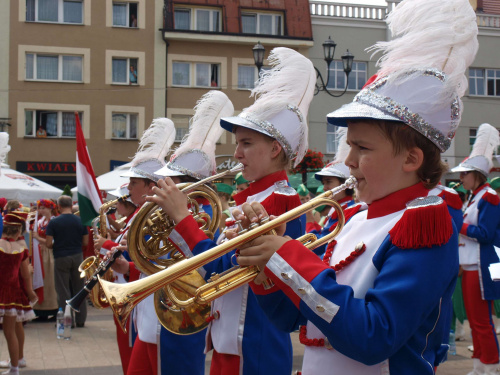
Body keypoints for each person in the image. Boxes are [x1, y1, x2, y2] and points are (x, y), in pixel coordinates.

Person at [231, 1, 478, 373]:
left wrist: (290, 257)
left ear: (411, 160)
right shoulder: (355, 217)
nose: (347, 160)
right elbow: (290, 320)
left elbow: (373, 337)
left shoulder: (424, 226)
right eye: (350, 146)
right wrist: (266, 268)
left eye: (361, 148)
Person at [150, 47, 315, 375]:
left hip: (253, 344)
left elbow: (220, 268)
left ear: (274, 149)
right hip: (233, 340)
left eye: (246, 143)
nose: (236, 153)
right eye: (237, 143)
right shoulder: (255, 197)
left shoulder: (280, 202)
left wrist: (183, 217)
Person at [152, 90, 234, 375]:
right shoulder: (181, 210)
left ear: (187, 182)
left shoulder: (204, 212)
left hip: (189, 304)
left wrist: (177, 221)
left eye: (170, 179)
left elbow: (201, 258)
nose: (164, 183)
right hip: (172, 301)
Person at [109, 117, 176, 375]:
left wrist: (128, 265)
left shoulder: (161, 215)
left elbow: (167, 264)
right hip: (144, 313)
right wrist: (126, 265)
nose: (128, 188)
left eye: (134, 183)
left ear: (150, 185)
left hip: (158, 314)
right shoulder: (141, 214)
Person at [450, 122, 500, 374]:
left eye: (463, 174)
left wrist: (458, 225)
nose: (460, 178)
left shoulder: (489, 196)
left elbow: (486, 235)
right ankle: (480, 365)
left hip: (482, 265)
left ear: (476, 174)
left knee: (482, 323)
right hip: (469, 266)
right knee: (476, 321)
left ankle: (490, 367)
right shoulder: (474, 197)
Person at [0, 212, 37, 375]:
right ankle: (14, 368)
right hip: (13, 294)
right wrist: (30, 292)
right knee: (10, 332)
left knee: (9, 331)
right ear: (17, 232)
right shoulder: (22, 249)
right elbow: (25, 274)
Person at [45, 195, 88, 327]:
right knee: (79, 288)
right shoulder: (81, 221)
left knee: (63, 289)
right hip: (77, 255)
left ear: (58, 206)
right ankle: (81, 319)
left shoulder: (53, 222)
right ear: (71, 205)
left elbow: (48, 243)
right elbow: (85, 242)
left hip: (61, 256)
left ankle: (66, 319)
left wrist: (57, 245)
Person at [31, 199, 58, 318]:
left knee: (50, 281)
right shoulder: (40, 221)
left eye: (43, 208)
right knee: (41, 279)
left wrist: (37, 237)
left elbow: (53, 242)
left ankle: (52, 307)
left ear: (50, 209)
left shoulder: (54, 221)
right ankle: (40, 309)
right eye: (40, 208)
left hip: (50, 253)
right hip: (39, 253)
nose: (41, 211)